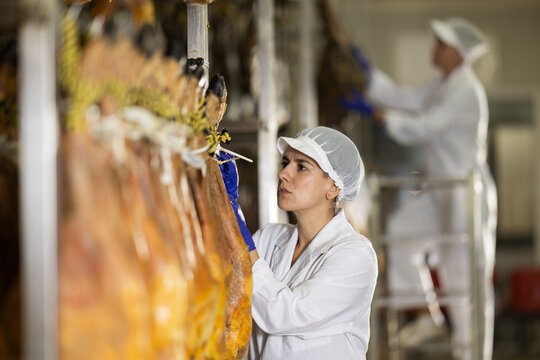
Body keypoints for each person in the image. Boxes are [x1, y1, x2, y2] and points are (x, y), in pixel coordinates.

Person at [341, 17, 497, 360]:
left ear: (457, 52)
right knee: (400, 233)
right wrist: (369, 77)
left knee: (463, 283)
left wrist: (377, 116)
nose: (434, 50)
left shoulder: (466, 90)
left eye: (441, 45)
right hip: (440, 188)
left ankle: (471, 356)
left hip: (464, 193)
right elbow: (405, 98)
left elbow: (424, 126)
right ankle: (428, 315)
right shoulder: (441, 84)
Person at [218, 126, 378, 360]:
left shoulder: (355, 255)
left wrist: (240, 232)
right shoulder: (270, 238)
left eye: (301, 167)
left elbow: (283, 314)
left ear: (333, 187)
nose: (284, 174)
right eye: (286, 163)